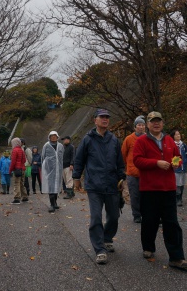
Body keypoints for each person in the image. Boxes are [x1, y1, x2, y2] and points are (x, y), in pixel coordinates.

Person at [133, 112, 187, 270]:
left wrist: (175, 163)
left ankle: (176, 257)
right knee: (149, 221)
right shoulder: (141, 141)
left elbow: (178, 157)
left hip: (168, 188)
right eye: (153, 122)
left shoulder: (169, 140)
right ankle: (148, 247)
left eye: (158, 121)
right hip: (149, 189)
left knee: (172, 223)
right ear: (147, 124)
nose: (156, 124)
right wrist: (156, 163)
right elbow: (137, 160)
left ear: (162, 123)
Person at [73, 109, 126, 265]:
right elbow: (79, 159)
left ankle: (107, 238)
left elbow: (119, 161)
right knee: (96, 217)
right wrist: (76, 177)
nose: (105, 119)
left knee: (114, 216)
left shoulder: (113, 140)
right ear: (94, 120)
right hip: (94, 185)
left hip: (112, 184)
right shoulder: (87, 139)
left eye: (107, 117)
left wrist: (122, 177)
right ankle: (100, 250)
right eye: (102, 117)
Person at [121, 115, 145, 223]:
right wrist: (128, 165)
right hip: (132, 172)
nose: (141, 127)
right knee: (134, 195)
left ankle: (146, 214)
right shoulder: (129, 139)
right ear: (135, 127)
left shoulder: (148, 138)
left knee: (146, 195)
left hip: (146, 172)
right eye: (139, 125)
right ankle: (136, 215)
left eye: (143, 125)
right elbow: (123, 153)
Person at [41, 131, 64, 213]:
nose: (53, 137)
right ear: (49, 137)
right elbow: (43, 157)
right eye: (52, 136)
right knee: (51, 187)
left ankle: (55, 203)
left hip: (59, 170)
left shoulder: (61, 146)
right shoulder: (46, 145)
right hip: (50, 170)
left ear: (57, 137)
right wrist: (45, 168)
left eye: (55, 136)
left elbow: (62, 157)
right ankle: (51, 204)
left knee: (57, 187)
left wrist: (61, 167)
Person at [171, 130, 187, 207]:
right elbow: (174, 156)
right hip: (176, 169)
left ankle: (180, 197)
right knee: (177, 184)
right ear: (173, 136)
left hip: (184, 169)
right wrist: (176, 165)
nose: (178, 135)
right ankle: (177, 199)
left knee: (182, 184)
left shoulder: (183, 145)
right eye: (176, 134)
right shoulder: (172, 145)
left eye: (179, 134)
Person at [9, 138, 28, 204]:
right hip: (22, 169)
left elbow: (13, 161)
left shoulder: (14, 150)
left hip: (17, 169)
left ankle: (17, 198)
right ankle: (25, 197)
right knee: (22, 183)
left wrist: (10, 170)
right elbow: (24, 160)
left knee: (16, 183)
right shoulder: (21, 150)